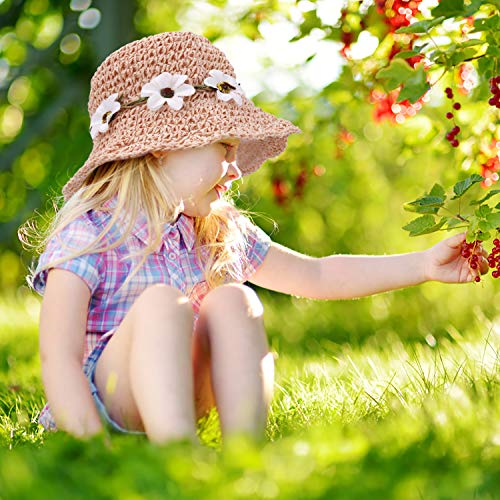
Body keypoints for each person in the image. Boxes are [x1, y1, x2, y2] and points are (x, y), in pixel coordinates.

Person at [20, 31, 487, 446]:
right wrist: (88, 440)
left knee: (234, 301)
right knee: (164, 303)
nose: (237, 168)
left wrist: (422, 265)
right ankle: (178, 454)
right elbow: (57, 356)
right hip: (109, 400)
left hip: (182, 387)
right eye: (225, 149)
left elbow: (317, 274)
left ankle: (244, 452)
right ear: (162, 146)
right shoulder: (93, 230)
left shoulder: (213, 226)